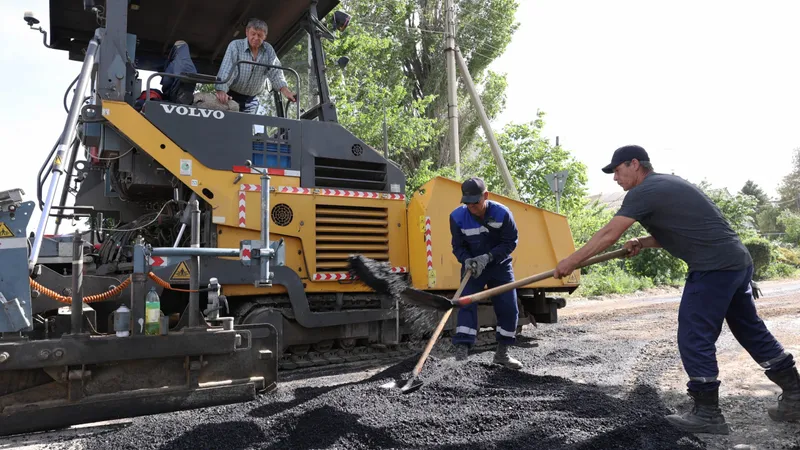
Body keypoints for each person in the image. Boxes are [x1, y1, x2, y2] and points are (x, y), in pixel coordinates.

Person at [552, 145, 799, 434]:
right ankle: (796, 396)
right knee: (750, 330)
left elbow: (610, 232)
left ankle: (707, 413)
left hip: (712, 268)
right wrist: (643, 242)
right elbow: (685, 228)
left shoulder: (643, 191)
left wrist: (572, 260)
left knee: (694, 335)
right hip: (735, 261)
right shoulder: (670, 182)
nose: (615, 178)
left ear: (635, 164)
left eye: (617, 170)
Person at [449, 177, 523, 370]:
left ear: (486, 196)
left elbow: (510, 242)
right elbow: (458, 246)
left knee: (509, 307)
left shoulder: (502, 214)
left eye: (476, 202)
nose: (472, 207)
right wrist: (466, 260)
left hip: (499, 266)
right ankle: (462, 354)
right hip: (472, 268)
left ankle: (502, 354)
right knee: (466, 303)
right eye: (468, 203)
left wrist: (488, 257)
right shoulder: (457, 217)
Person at [215, 18, 296, 114]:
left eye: (260, 35)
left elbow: (276, 72)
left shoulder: (268, 50)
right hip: (230, 97)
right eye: (253, 34)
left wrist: (287, 92)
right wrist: (221, 90)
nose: (256, 38)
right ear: (247, 32)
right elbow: (226, 70)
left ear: (265, 36)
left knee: (247, 128)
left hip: (251, 101)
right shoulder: (235, 46)